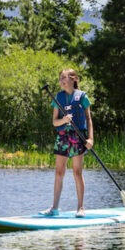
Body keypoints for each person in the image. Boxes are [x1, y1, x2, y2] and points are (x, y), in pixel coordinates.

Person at [41, 69, 93, 218]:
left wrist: (90, 139)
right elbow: (54, 122)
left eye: (64, 78)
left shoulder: (82, 96)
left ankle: (80, 208)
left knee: (77, 172)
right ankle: (54, 208)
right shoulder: (58, 97)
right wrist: (64, 120)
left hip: (78, 137)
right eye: (60, 78)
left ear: (73, 79)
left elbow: (89, 119)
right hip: (63, 136)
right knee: (59, 172)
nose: (61, 81)